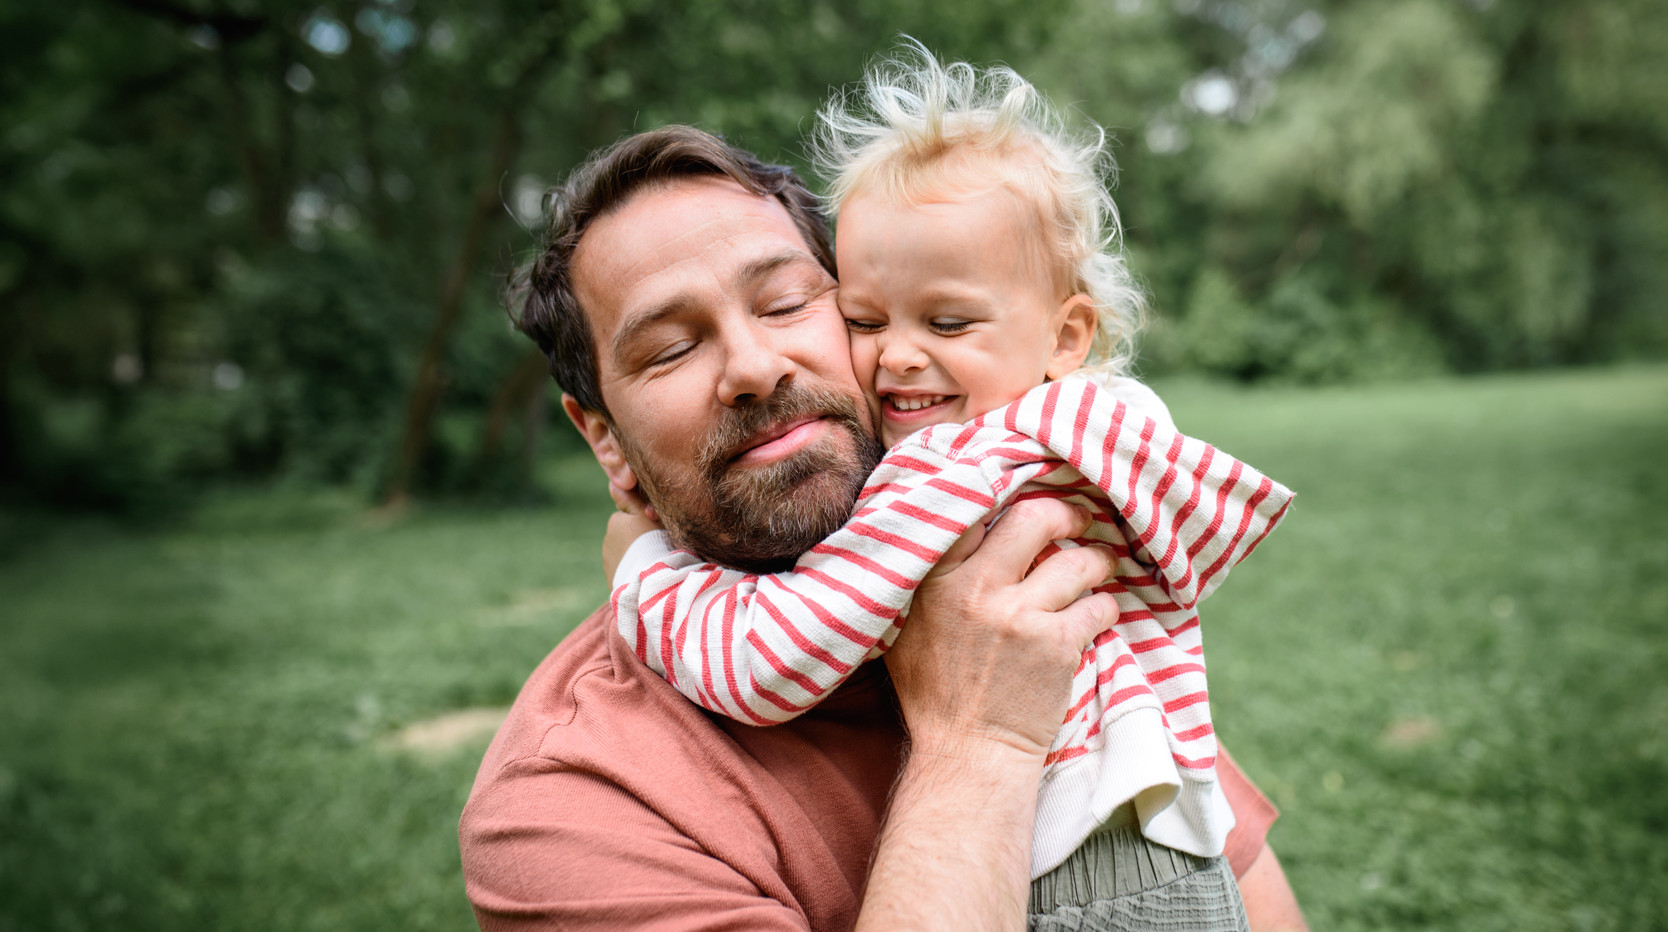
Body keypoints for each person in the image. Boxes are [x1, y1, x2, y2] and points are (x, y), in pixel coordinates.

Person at [461, 120, 1309, 929]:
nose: (755, 368)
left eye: (790, 302)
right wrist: (979, 740)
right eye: (673, 349)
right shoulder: (572, 803)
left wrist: (642, 562)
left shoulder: (1032, 571)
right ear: (604, 438)